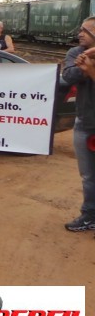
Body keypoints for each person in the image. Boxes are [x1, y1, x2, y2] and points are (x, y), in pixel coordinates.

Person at [62, 17, 95, 232]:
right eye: (80, 29)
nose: (80, 33)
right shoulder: (75, 53)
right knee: (89, 175)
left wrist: (90, 67)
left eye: (86, 30)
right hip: (85, 123)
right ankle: (89, 215)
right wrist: (84, 68)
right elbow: (68, 76)